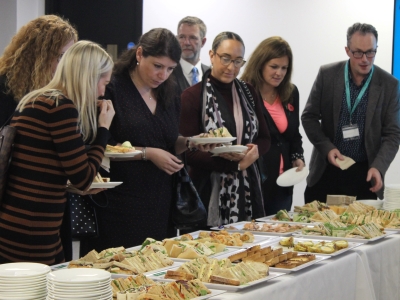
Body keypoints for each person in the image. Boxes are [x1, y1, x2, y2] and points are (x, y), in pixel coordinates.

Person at [83, 28, 215, 253]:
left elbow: (169, 142)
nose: (163, 75)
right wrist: (147, 153)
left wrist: (191, 142)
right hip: (119, 199)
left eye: (170, 69)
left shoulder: (170, 92)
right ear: (139, 54)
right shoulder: (112, 88)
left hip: (160, 199)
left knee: (154, 267)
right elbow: (101, 144)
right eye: (157, 66)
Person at [0, 41, 115, 265]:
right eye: (104, 82)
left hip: (18, 219)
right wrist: (104, 129)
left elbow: (41, 168)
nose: (103, 91)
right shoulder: (61, 107)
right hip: (33, 227)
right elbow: (83, 179)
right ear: (88, 76)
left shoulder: (35, 99)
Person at [301, 22, 400, 203]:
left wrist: (379, 167)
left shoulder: (389, 84)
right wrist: (326, 148)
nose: (365, 59)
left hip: (365, 174)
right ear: (347, 51)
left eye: (371, 52)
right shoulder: (327, 75)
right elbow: (309, 117)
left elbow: (393, 134)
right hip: (327, 170)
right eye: (358, 53)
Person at [179, 31, 271, 226]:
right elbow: (188, 151)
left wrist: (254, 153)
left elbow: (264, 138)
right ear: (212, 55)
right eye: (226, 59)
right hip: (206, 189)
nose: (231, 67)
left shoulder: (248, 91)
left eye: (238, 62)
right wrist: (234, 165)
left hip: (247, 188)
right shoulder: (192, 96)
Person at [241, 37, 305, 216]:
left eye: (284, 68)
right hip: (256, 177)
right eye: (274, 66)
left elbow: (294, 134)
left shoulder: (291, 92)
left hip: (284, 180)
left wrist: (297, 156)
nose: (279, 73)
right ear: (260, 64)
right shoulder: (243, 92)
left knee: (280, 231)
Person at [0, 15, 78, 126]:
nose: (65, 65)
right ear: (41, 56)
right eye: (61, 56)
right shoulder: (5, 88)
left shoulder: (51, 91)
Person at [172, 16, 210, 95]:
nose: (186, 42)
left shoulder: (212, 74)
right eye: (182, 37)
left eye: (192, 38)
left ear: (203, 42)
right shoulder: (168, 73)